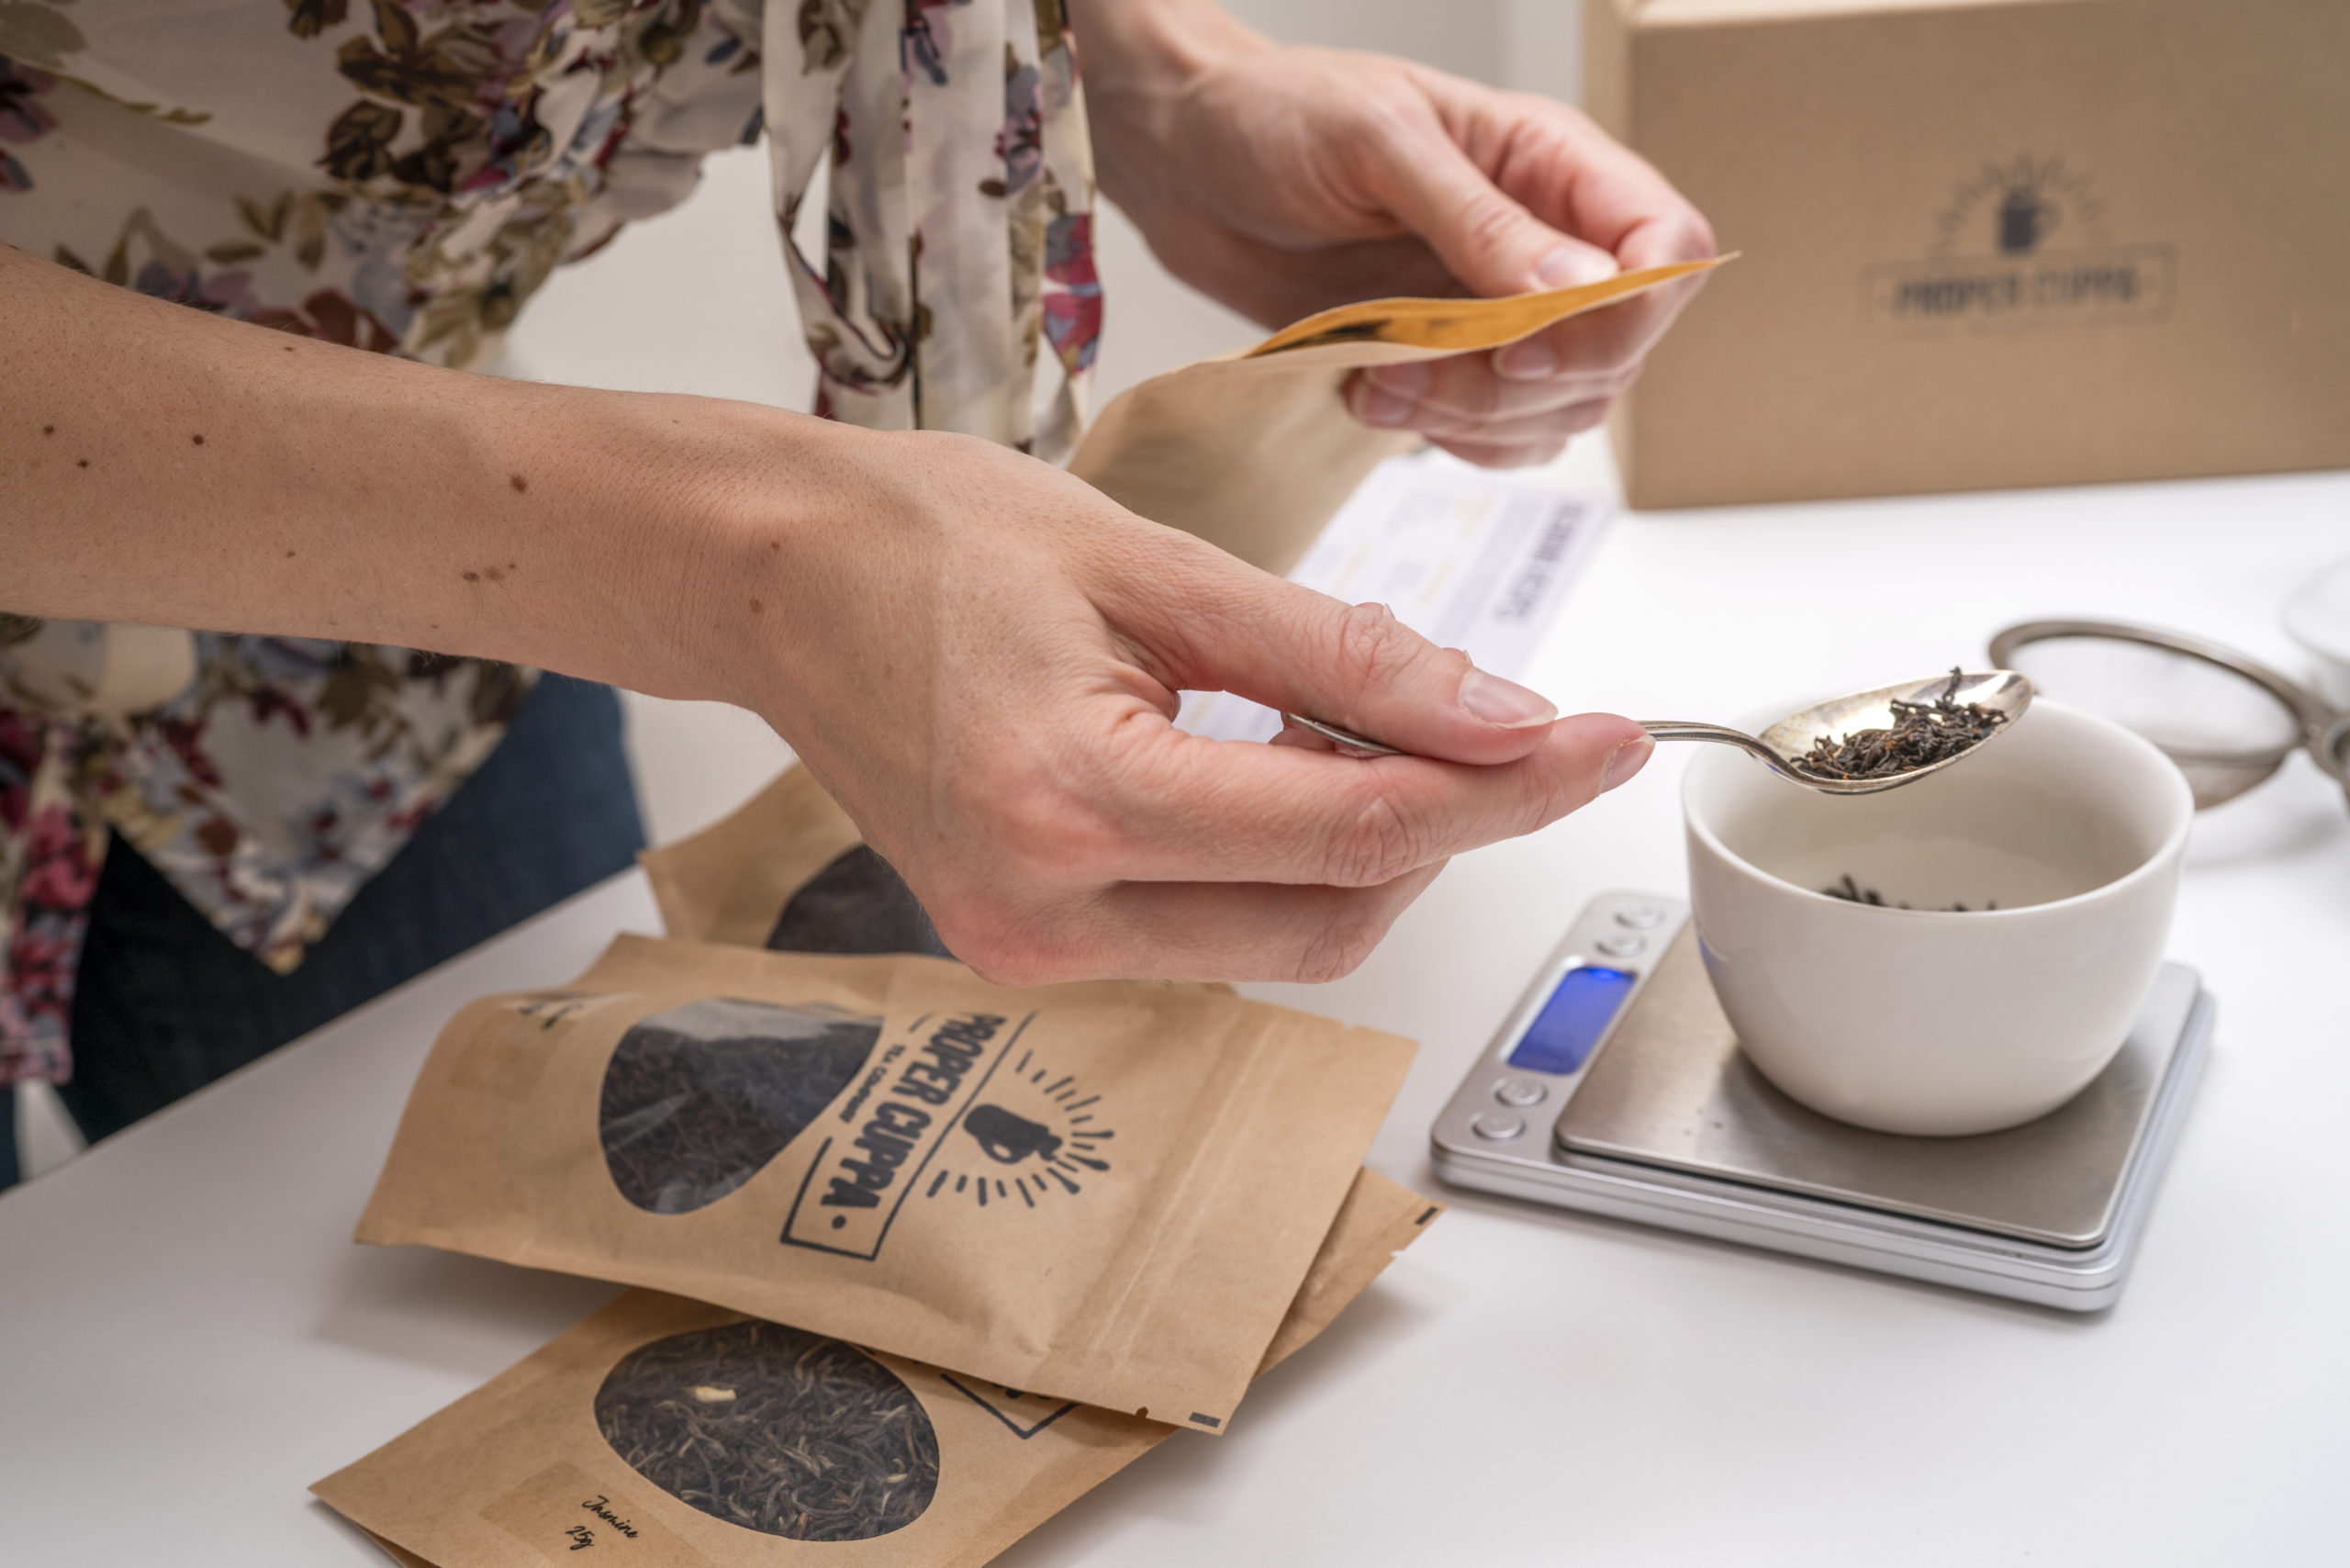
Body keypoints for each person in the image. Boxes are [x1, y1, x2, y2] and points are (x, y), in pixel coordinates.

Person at [0, 0, 1714, 1186]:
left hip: (373, 687)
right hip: (409, 527)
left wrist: (1156, 80)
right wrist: (752, 564)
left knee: (518, 1254)